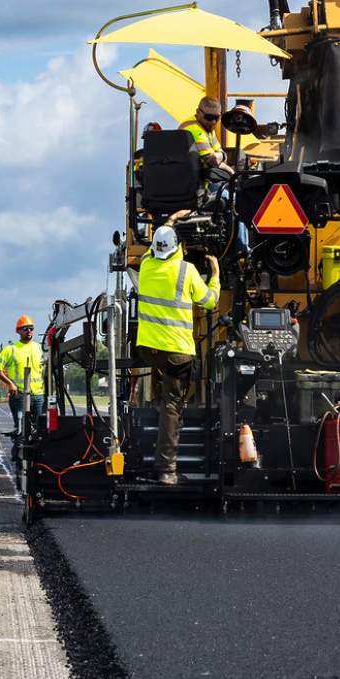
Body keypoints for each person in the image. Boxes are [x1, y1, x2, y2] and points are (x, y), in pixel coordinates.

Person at [136, 225, 220, 484]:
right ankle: (167, 470)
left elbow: (154, 247)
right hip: (177, 354)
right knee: (173, 406)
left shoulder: (146, 265)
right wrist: (215, 274)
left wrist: (172, 219)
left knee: (164, 392)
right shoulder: (188, 271)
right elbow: (210, 301)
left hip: (149, 351)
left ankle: (158, 398)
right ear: (180, 248)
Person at [0, 316, 45, 438]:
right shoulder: (10, 349)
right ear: (18, 331)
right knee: (21, 430)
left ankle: (34, 456)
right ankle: (19, 456)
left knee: (39, 431)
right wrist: (10, 383)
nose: (29, 331)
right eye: (25, 328)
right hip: (19, 395)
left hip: (38, 395)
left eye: (31, 328)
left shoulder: (39, 348)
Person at [179, 96, 234, 176]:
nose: (213, 122)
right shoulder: (194, 128)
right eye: (209, 117)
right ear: (198, 112)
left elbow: (220, 154)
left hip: (200, 180)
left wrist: (221, 155)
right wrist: (232, 173)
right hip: (191, 181)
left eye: (217, 118)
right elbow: (213, 161)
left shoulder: (208, 128)